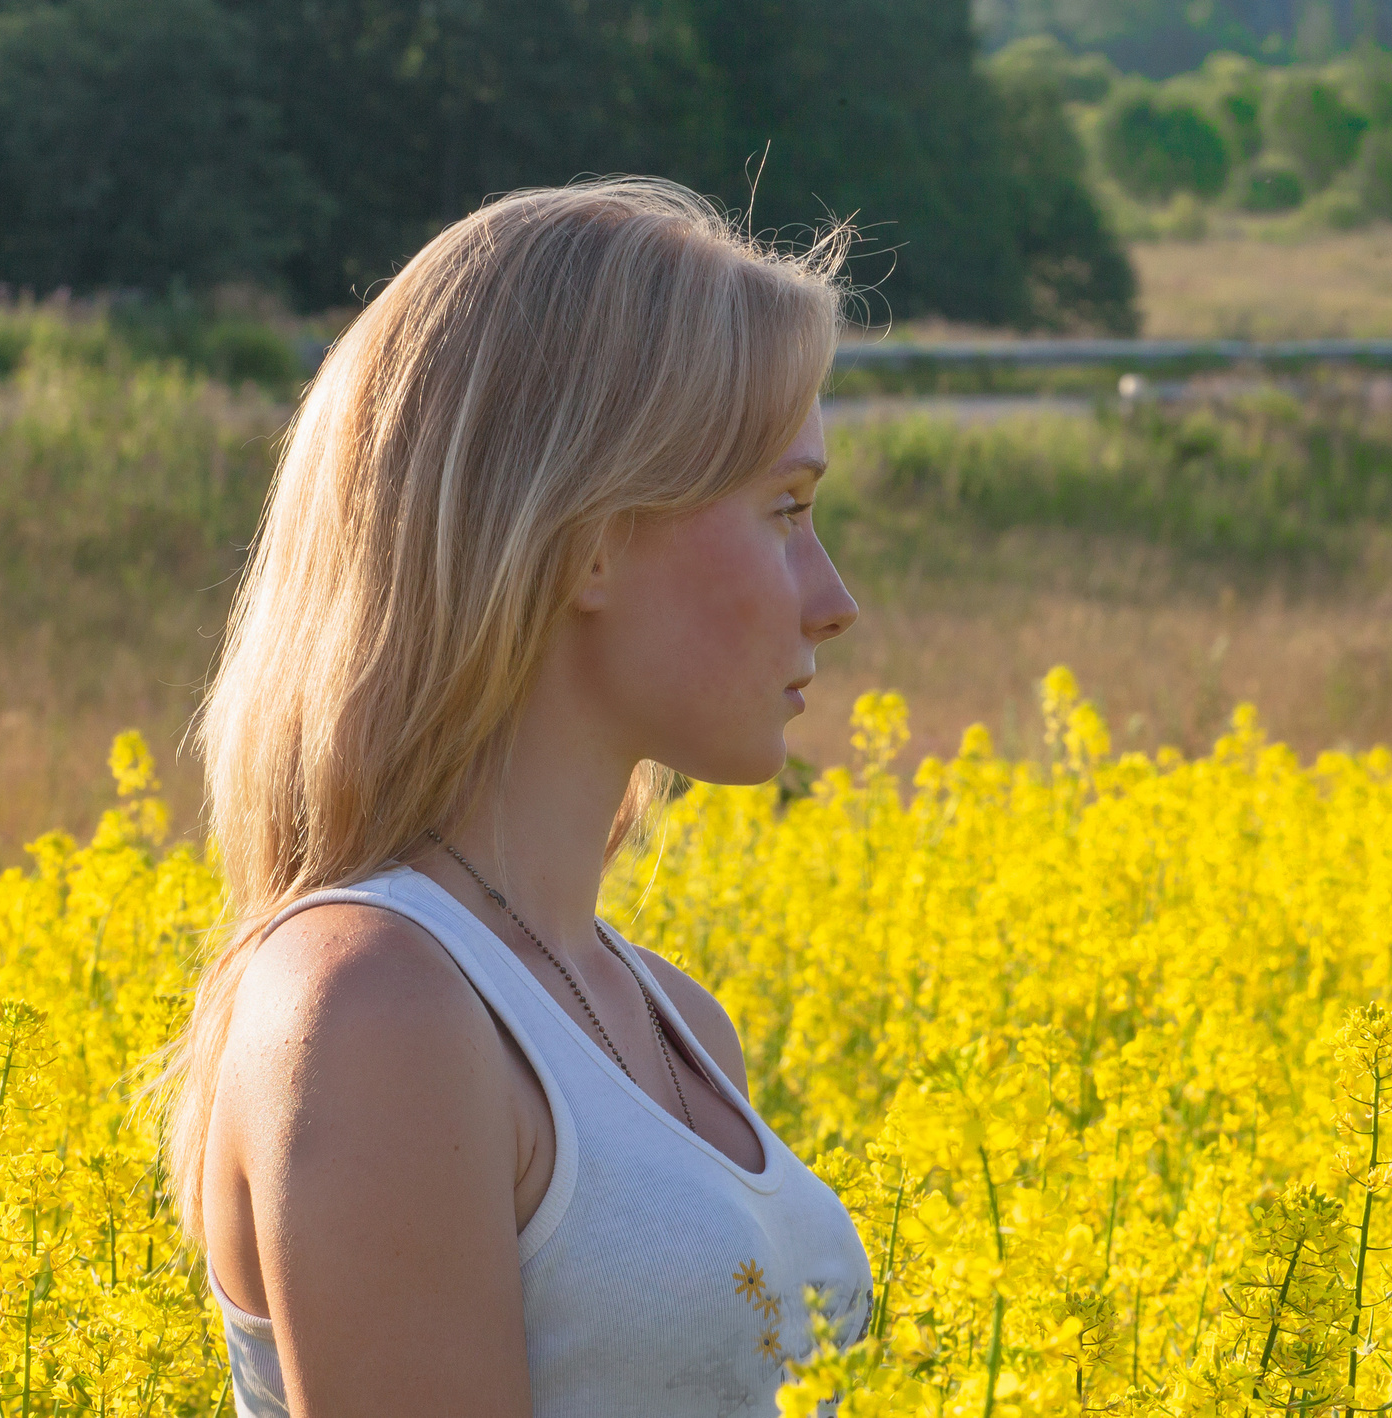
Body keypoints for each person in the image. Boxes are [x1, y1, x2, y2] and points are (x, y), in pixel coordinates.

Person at [159, 178, 870, 1417]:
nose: (833, 594)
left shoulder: (673, 1019)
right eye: (786, 510)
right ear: (587, 538)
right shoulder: (375, 1004)